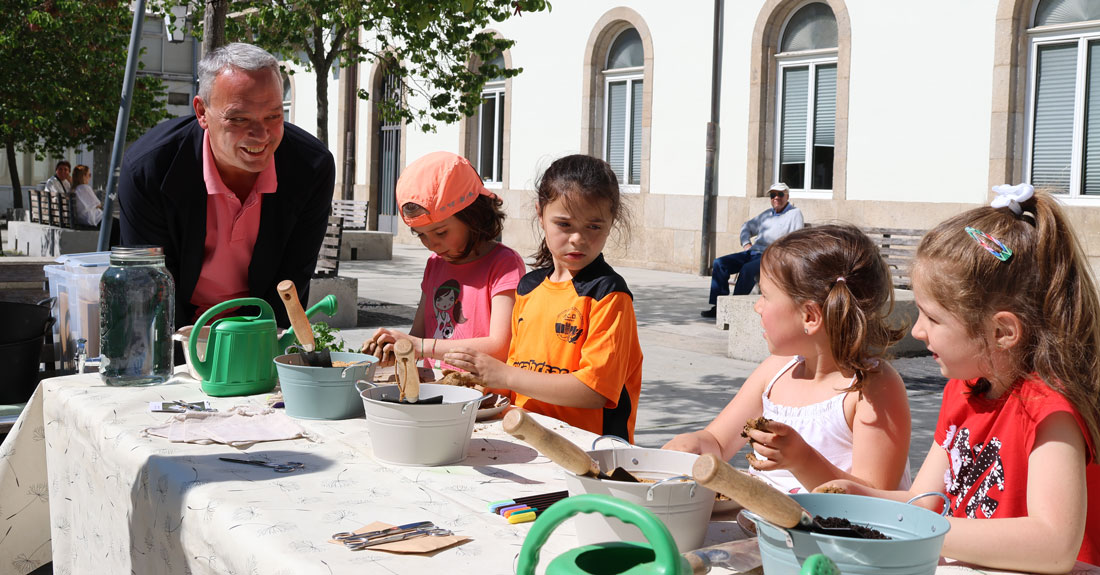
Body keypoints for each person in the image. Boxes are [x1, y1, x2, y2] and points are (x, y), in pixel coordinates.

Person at [815, 185, 1100, 571]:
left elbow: (1054, 544)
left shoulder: (1050, 413)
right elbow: (923, 502)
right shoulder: (960, 391)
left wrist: (927, 532)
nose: (917, 330)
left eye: (933, 318)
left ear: (1002, 332)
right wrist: (861, 497)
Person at [666, 224, 912, 494]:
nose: (756, 306)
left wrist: (802, 460)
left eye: (765, 296)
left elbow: (877, 496)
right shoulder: (777, 371)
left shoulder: (871, 388)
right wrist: (693, 445)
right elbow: (719, 441)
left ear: (810, 316)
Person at [117, 42, 335, 328]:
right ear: (201, 112)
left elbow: (291, 281)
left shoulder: (311, 167)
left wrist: (258, 349)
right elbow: (151, 290)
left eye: (273, 116)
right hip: (172, 328)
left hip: (258, 327)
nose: (260, 135)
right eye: (239, 119)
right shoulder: (149, 170)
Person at [443, 155, 644, 443]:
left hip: (588, 451)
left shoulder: (609, 295)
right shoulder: (528, 287)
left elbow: (595, 391)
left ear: (611, 222)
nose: (578, 238)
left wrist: (505, 375)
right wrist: (479, 381)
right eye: (564, 224)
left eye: (594, 227)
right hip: (525, 437)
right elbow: (518, 377)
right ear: (540, 214)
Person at [361, 151, 526, 369]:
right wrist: (395, 349)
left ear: (472, 216)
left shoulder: (504, 264)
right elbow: (419, 336)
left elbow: (501, 346)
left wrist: (419, 346)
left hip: (482, 397)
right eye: (421, 235)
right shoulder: (435, 263)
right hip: (436, 391)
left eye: (441, 232)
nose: (432, 244)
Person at [701, 182, 803, 318]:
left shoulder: (794, 214)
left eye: (780, 194)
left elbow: (796, 239)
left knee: (747, 269)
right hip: (752, 252)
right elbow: (746, 226)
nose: (776, 198)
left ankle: (733, 307)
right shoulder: (767, 214)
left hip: (771, 256)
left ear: (787, 196)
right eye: (773, 195)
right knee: (719, 263)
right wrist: (746, 243)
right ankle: (718, 306)